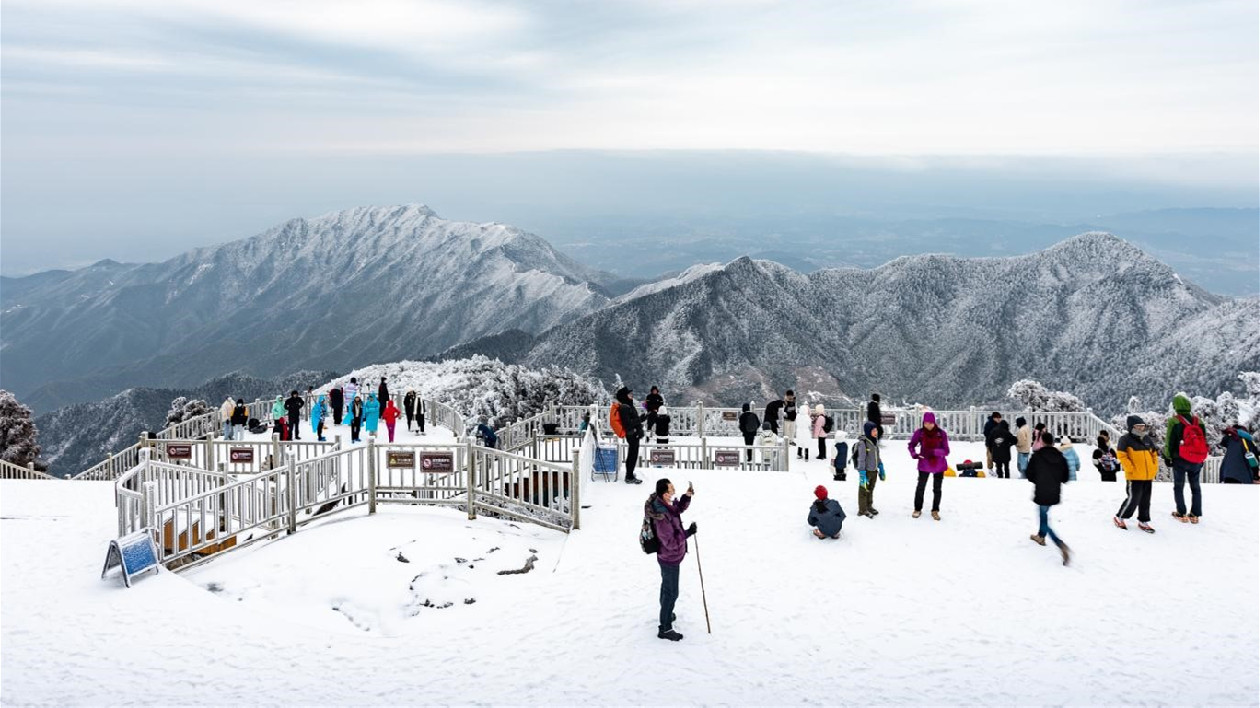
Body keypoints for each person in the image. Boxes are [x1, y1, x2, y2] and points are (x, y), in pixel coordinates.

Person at [646, 478, 695, 641]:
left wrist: (686, 497)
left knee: (666, 588)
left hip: (671, 557)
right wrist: (687, 533)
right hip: (669, 558)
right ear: (665, 494)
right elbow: (669, 542)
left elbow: (677, 510)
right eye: (672, 489)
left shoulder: (667, 505)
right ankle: (665, 628)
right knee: (672, 592)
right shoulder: (661, 515)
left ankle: (666, 613)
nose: (674, 491)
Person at [1026, 431, 1072, 565]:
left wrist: (1039, 479)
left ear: (1042, 442)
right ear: (1053, 442)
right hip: (1054, 491)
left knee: (1044, 517)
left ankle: (1060, 544)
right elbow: (1066, 477)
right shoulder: (1060, 456)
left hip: (1041, 490)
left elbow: (1029, 474)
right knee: (1044, 513)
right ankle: (1040, 536)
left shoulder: (1037, 456)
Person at [1165, 393, 1207, 524]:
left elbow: (1170, 441)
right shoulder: (1198, 421)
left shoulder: (1174, 420)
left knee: (1179, 486)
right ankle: (1195, 515)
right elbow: (1203, 439)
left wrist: (1168, 456)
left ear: (1176, 406)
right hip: (1196, 459)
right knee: (1195, 487)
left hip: (1180, 459)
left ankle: (1181, 512)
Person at [1114, 415, 1158, 533]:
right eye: (1138, 426)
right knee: (1134, 498)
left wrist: (1153, 468)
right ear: (1131, 427)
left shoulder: (1146, 439)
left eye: (1142, 426)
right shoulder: (1125, 439)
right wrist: (1130, 469)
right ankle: (1120, 517)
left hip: (1148, 476)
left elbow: (1154, 454)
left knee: (1145, 500)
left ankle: (1143, 521)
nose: (1141, 428)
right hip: (1134, 476)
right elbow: (1121, 455)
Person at [908, 411, 950, 520]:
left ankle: (935, 510)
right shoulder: (920, 433)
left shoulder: (941, 433)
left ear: (934, 422)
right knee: (920, 487)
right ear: (923, 422)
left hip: (939, 464)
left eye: (931, 423)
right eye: (926, 423)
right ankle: (917, 509)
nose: (928, 425)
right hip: (924, 463)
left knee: (937, 489)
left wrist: (933, 452)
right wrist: (914, 454)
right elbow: (911, 445)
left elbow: (946, 451)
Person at [615, 387, 644, 484]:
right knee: (632, 455)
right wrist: (640, 419)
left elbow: (633, 419)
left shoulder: (628, 405)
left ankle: (630, 473)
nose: (632, 396)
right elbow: (628, 424)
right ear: (624, 396)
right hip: (632, 434)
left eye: (632, 394)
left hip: (634, 433)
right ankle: (629, 476)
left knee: (633, 454)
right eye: (629, 394)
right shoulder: (624, 407)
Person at [855, 421, 882, 518]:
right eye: (873, 430)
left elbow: (877, 456)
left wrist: (881, 466)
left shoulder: (875, 441)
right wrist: (862, 472)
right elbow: (861, 459)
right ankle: (862, 510)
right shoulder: (863, 443)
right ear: (868, 431)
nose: (876, 432)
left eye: (876, 430)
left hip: (874, 471)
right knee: (863, 491)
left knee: (870, 490)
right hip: (865, 472)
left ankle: (869, 506)